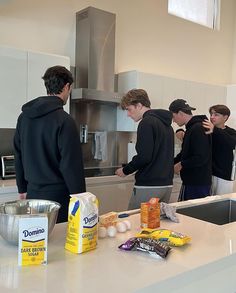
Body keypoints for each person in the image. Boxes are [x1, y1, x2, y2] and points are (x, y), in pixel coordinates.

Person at [14, 65, 86, 223]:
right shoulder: (65, 121)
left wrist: (22, 188)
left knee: (36, 242)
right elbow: (70, 165)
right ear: (67, 87)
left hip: (32, 195)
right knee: (59, 244)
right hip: (58, 198)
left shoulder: (24, 118)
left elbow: (18, 154)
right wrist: (80, 197)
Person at [115, 89, 174, 209]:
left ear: (139, 105)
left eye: (129, 109)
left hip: (149, 185)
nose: (128, 114)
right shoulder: (166, 124)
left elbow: (144, 156)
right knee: (156, 224)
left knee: (136, 222)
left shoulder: (146, 123)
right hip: (166, 184)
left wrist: (126, 170)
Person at [169, 99, 212, 201]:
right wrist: (170, 163)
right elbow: (185, 153)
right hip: (194, 181)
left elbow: (201, 157)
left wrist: (181, 164)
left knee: (190, 214)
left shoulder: (197, 129)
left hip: (197, 183)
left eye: (173, 117)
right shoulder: (192, 128)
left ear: (180, 113)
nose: (173, 121)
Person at [203, 104, 236, 195]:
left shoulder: (231, 132)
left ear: (225, 117)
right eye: (211, 114)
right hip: (208, 174)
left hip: (224, 176)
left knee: (221, 203)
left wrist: (215, 130)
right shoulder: (206, 131)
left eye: (216, 115)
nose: (212, 117)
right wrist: (180, 131)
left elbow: (231, 143)